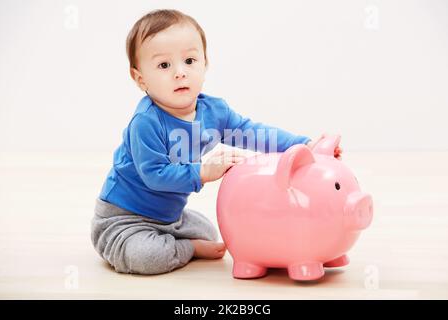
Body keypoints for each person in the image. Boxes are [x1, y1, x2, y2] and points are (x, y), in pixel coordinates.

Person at [91, 9, 342, 275]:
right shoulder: (146, 122)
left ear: (204, 63)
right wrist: (203, 171)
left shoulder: (213, 112)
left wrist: (304, 144)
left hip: (170, 217)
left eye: (189, 60)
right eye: (164, 65)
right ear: (140, 78)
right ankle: (187, 248)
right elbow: (155, 176)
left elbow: (253, 133)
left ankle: (178, 236)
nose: (180, 73)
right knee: (146, 258)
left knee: (211, 232)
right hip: (124, 217)